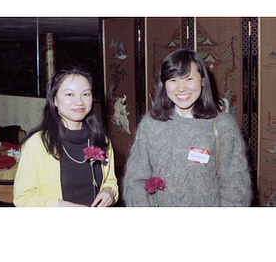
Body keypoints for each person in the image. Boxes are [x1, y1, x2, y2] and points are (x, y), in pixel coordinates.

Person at [123, 49, 251, 207]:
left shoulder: (223, 126)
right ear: (164, 84)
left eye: (189, 79)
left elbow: (236, 190)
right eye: (173, 80)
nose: (181, 88)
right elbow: (135, 180)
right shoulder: (151, 124)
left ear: (202, 80)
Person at [13, 65, 118, 207]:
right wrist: (62, 206)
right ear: (54, 100)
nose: (80, 101)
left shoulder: (101, 140)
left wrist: (109, 191)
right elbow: (23, 199)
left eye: (86, 94)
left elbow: (110, 180)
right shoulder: (38, 144)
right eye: (70, 94)